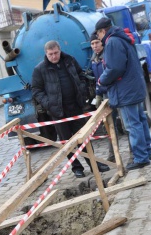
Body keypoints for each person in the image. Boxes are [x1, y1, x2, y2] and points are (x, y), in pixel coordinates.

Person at [31, 40, 110, 178]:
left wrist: (82, 90)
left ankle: (93, 165)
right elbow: (36, 90)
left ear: (59, 50)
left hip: (75, 107)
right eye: (51, 54)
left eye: (56, 53)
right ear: (46, 54)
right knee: (66, 142)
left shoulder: (69, 60)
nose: (54, 56)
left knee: (84, 138)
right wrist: (48, 103)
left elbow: (81, 76)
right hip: (57, 111)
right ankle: (76, 168)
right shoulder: (40, 69)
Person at [95, 17, 151, 170]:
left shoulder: (112, 42)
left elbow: (115, 68)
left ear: (102, 31)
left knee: (133, 125)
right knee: (140, 121)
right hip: (134, 87)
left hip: (126, 90)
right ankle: (147, 151)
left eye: (98, 34)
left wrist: (102, 80)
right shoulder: (123, 37)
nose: (98, 38)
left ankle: (141, 157)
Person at [90, 31, 119, 162]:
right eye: (92, 43)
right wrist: (98, 95)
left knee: (125, 125)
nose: (95, 46)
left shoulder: (107, 56)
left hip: (117, 93)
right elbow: (98, 80)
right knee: (109, 126)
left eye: (97, 42)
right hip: (105, 95)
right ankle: (113, 154)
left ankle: (133, 152)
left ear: (101, 42)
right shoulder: (94, 59)